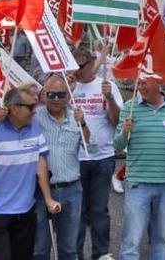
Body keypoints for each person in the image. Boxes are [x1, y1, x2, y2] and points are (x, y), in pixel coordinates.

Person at [0, 85, 61, 260]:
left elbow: (41, 163)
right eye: (30, 107)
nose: (34, 111)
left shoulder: (34, 126)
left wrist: (48, 198)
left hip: (25, 210)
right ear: (14, 108)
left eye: (35, 106)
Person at [114, 68, 165, 260]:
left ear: (158, 82)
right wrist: (124, 133)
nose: (140, 87)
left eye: (145, 82)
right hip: (138, 182)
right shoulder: (130, 107)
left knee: (161, 238)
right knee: (132, 239)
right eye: (139, 83)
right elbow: (117, 145)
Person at [33, 75, 94, 260]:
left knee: (69, 248)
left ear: (68, 96)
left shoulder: (77, 117)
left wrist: (82, 123)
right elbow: (9, 116)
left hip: (71, 189)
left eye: (60, 94)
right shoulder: (35, 117)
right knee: (40, 249)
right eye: (51, 94)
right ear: (43, 94)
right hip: (41, 192)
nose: (56, 99)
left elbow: (91, 146)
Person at [71, 48, 123, 260]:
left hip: (102, 157)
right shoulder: (68, 87)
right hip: (76, 158)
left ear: (92, 63)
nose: (75, 71)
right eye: (72, 66)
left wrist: (109, 98)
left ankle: (101, 253)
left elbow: (116, 121)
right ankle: (75, 253)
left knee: (99, 210)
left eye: (80, 67)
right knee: (78, 211)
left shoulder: (106, 86)